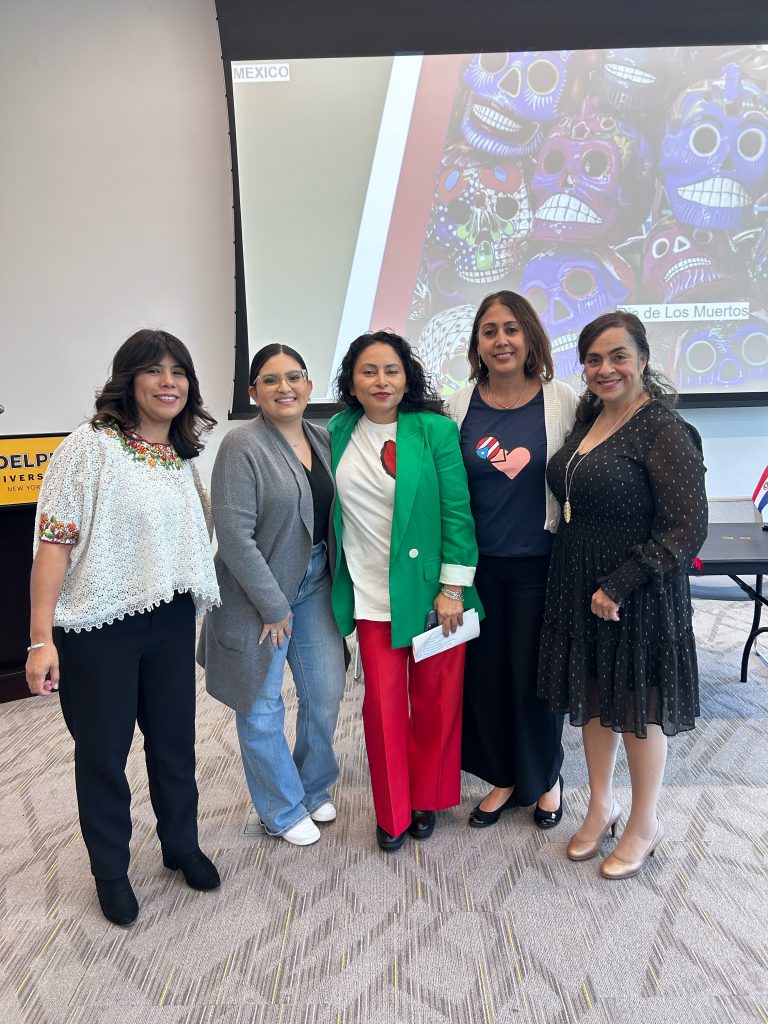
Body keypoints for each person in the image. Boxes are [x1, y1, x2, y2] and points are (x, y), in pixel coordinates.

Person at [25, 329, 221, 927]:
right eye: (155, 371)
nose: (169, 383)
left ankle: (180, 844)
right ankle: (110, 870)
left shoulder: (181, 454)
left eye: (179, 372)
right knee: (104, 756)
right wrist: (40, 640)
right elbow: (53, 547)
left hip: (168, 618)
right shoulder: (87, 447)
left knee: (174, 744)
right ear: (127, 380)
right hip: (96, 626)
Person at [538, 311, 707, 878]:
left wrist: (620, 584)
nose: (605, 369)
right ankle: (602, 804)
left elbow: (687, 528)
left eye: (617, 356)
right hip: (576, 579)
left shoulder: (664, 428)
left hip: (634, 590)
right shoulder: (590, 417)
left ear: (642, 358)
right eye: (593, 359)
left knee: (638, 706)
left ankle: (644, 821)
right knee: (592, 696)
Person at [329, 329, 481, 851]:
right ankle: (392, 811)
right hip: (370, 594)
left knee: (437, 703)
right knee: (383, 706)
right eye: (368, 370)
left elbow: (458, 514)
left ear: (406, 376)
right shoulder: (337, 430)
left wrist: (453, 589)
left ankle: (427, 799)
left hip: (433, 595)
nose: (381, 380)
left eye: (391, 370)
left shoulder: (434, 430)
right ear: (351, 380)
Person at [200, 344, 346, 847]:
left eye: (295, 376)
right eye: (270, 379)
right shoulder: (242, 446)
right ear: (253, 392)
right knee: (260, 704)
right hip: (256, 594)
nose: (285, 387)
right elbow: (234, 538)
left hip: (316, 582)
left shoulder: (323, 439)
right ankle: (280, 809)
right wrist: (273, 605)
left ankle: (311, 788)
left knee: (325, 693)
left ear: (309, 385)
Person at [445, 291, 578, 830]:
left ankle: (544, 778)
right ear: (477, 344)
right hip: (477, 570)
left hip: (541, 565)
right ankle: (502, 776)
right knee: (486, 676)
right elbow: (447, 496)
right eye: (489, 331)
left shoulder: (562, 399)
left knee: (535, 678)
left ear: (530, 337)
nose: (501, 340)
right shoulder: (457, 406)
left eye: (511, 329)